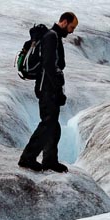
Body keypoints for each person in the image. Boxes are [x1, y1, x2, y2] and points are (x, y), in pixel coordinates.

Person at [18, 12, 78, 173]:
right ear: (64, 22)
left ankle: (50, 160)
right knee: (47, 123)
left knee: (52, 124)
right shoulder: (51, 37)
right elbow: (49, 65)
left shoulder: (54, 37)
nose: (72, 31)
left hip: (49, 86)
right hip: (47, 87)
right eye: (71, 27)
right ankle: (28, 158)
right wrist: (57, 89)